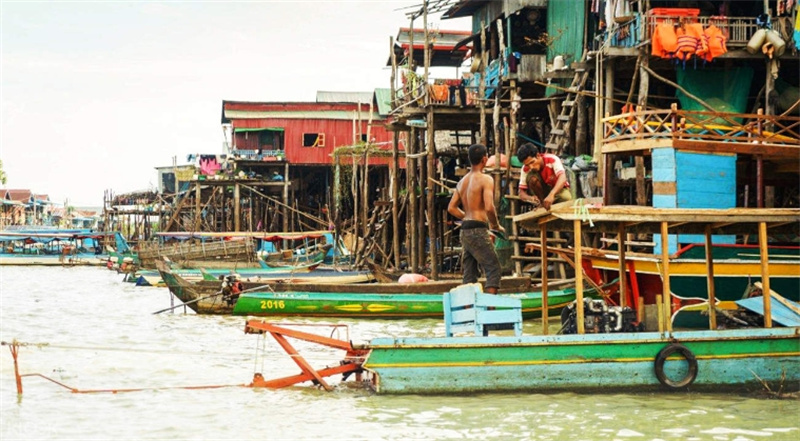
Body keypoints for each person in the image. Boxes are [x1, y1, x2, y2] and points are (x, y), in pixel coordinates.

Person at [447, 144, 505, 294]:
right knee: (493, 269)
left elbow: (451, 208)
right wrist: (495, 225)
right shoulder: (486, 179)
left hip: (465, 230)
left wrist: (466, 217)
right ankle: (489, 309)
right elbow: (489, 207)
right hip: (478, 229)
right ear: (484, 159)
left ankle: (468, 310)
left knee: (469, 273)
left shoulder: (462, 181)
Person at [516, 143, 572, 210]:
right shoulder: (525, 168)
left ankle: (547, 202)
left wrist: (551, 195)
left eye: (532, 162)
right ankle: (542, 203)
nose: (531, 167)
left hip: (557, 191)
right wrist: (530, 198)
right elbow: (521, 193)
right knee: (532, 179)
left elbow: (563, 178)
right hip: (542, 195)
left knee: (566, 197)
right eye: (527, 165)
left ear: (538, 155)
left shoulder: (552, 159)